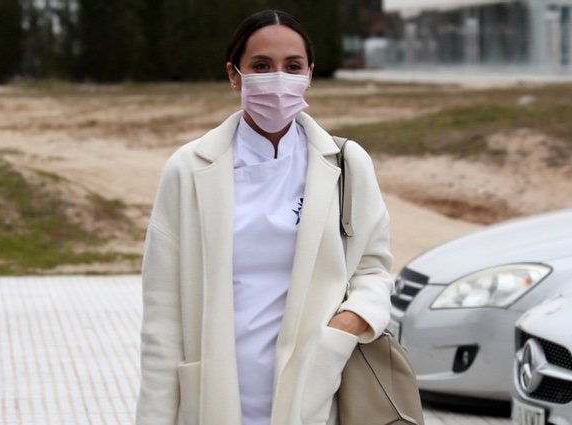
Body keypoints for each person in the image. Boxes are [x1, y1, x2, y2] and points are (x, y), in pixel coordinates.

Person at [136, 9, 393, 425]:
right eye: (261, 66)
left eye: (292, 66)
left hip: (315, 390)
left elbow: (374, 267)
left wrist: (348, 324)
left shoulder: (346, 163)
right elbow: (163, 316)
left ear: (309, 73)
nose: (278, 79)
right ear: (234, 75)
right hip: (215, 395)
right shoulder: (188, 169)